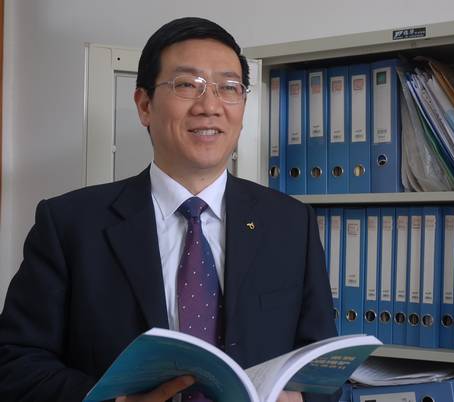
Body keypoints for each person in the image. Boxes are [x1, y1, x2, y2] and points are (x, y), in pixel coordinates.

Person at [0, 17, 336, 402]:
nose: (209, 106)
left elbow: (323, 370)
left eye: (229, 88)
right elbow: (14, 363)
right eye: (187, 85)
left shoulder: (291, 223)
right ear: (144, 105)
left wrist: (302, 399)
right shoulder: (69, 224)